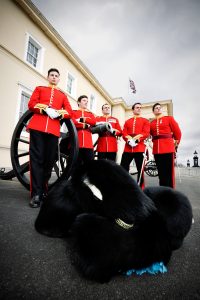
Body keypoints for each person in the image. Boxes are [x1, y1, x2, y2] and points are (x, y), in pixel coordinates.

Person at [27, 68, 73, 208]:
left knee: (49, 160)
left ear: (59, 79)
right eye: (52, 75)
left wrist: (59, 114)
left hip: (53, 130)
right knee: (37, 159)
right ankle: (36, 193)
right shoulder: (40, 89)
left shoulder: (62, 95)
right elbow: (31, 104)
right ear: (48, 77)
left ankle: (43, 189)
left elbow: (69, 112)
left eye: (56, 76)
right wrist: (45, 109)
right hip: (38, 127)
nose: (54, 77)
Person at [150, 102, 181, 188]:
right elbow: (148, 134)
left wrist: (176, 144)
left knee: (169, 173)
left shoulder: (169, 119)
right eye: (156, 108)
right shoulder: (151, 123)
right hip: (157, 150)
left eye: (160, 107)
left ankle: (170, 191)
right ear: (153, 111)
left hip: (168, 148)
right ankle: (163, 190)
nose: (158, 108)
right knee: (161, 172)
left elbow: (177, 133)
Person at [120, 103, 150, 189]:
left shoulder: (145, 121)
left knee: (140, 169)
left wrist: (137, 139)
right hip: (128, 148)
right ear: (133, 109)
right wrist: (128, 140)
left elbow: (146, 133)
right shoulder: (127, 121)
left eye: (140, 108)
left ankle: (141, 188)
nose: (139, 109)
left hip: (139, 148)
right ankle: (124, 186)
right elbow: (124, 133)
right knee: (123, 168)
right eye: (137, 107)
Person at [72, 95, 96, 179]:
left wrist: (82, 119)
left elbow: (93, 122)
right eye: (84, 100)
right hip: (76, 142)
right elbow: (73, 122)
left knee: (90, 165)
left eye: (87, 101)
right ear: (78, 102)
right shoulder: (73, 112)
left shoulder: (90, 114)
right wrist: (85, 125)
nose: (86, 102)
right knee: (75, 165)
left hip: (88, 144)